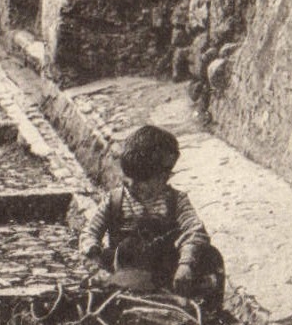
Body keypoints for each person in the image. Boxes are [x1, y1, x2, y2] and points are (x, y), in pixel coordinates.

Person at [81, 124, 225, 308]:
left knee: (210, 258)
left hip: (165, 277)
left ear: (163, 177)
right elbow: (89, 233)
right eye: (128, 179)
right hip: (124, 275)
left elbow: (195, 230)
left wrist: (186, 264)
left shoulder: (175, 201)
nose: (132, 185)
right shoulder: (114, 201)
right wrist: (94, 265)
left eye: (142, 181)